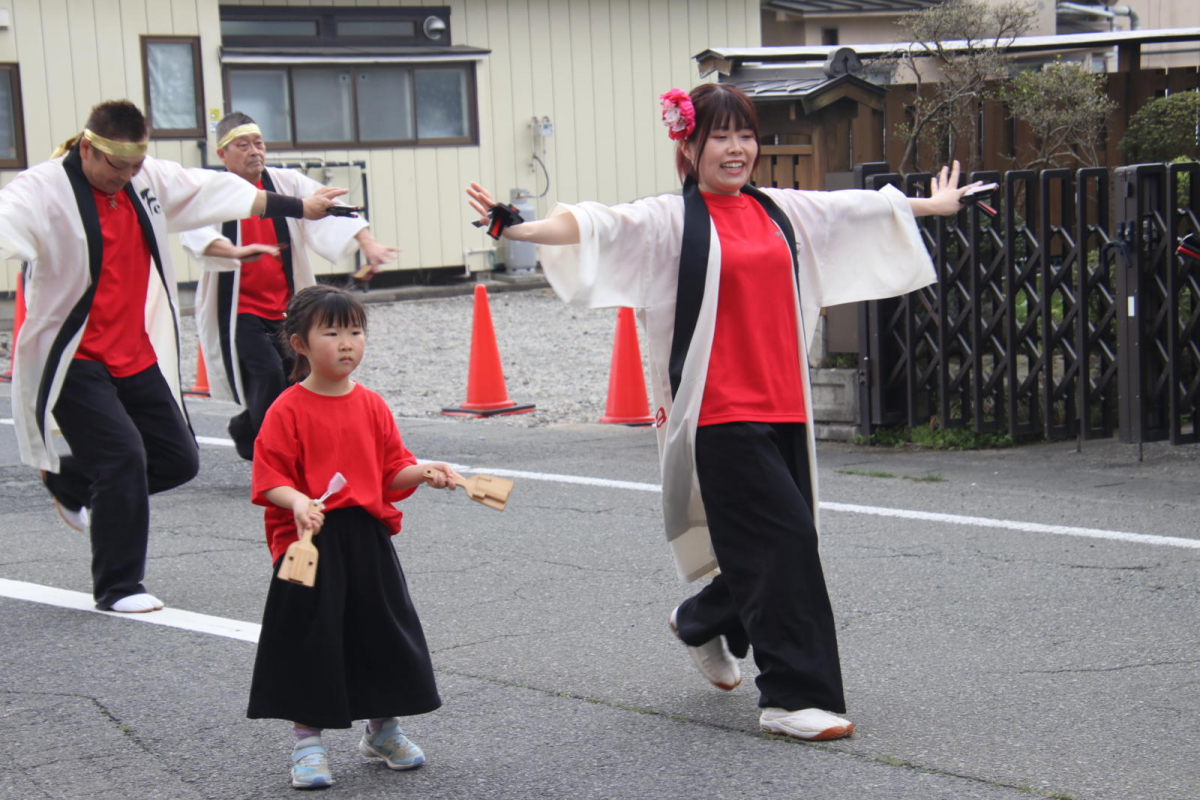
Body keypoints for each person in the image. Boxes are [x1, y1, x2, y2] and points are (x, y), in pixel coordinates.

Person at [466, 84, 986, 741]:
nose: (736, 148)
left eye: (745, 135)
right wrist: (516, 225)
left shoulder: (777, 211)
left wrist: (928, 206)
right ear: (689, 145)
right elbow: (598, 224)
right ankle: (793, 697)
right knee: (784, 544)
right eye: (721, 136)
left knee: (773, 543)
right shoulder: (672, 219)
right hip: (717, 413)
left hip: (784, 407)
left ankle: (699, 619)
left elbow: (851, 210)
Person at [0, 99, 347, 613]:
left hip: (133, 351)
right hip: (74, 357)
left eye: (135, 166)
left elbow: (215, 190)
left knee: (178, 459)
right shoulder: (42, 188)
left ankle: (70, 478)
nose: (127, 177)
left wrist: (300, 207)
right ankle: (119, 586)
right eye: (117, 167)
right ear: (89, 149)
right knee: (122, 458)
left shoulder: (145, 179)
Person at [247, 285, 456, 790]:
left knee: (380, 632)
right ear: (299, 343)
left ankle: (383, 730)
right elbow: (270, 476)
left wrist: (422, 471)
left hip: (366, 539)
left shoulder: (372, 405)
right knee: (310, 639)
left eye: (356, 332)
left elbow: (391, 471)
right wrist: (298, 501)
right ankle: (307, 743)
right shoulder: (287, 408)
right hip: (310, 542)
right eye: (332, 332)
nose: (347, 343)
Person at [181, 112, 398, 461]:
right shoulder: (211, 189)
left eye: (259, 143)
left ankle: (248, 429)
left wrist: (368, 244)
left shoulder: (285, 183)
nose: (255, 151)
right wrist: (236, 252)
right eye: (243, 145)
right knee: (266, 374)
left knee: (295, 378)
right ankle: (277, 461)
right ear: (222, 154)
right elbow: (197, 235)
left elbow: (333, 208)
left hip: (286, 306)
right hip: (238, 309)